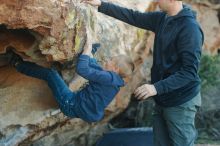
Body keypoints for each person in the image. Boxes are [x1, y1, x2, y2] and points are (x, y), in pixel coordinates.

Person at [81, 0, 204, 145]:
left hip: (181, 101)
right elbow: (133, 16)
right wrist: (101, 4)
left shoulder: (190, 29)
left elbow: (189, 72)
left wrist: (155, 88)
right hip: (163, 98)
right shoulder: (162, 18)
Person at [0, 37, 134, 123]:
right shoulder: (114, 82)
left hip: (70, 103)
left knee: (51, 74)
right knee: (59, 76)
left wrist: (86, 51)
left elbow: (82, 70)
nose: (108, 59)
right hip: (77, 109)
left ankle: (16, 63)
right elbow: (96, 72)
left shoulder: (108, 78)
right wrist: (90, 55)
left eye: (111, 60)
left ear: (115, 69)